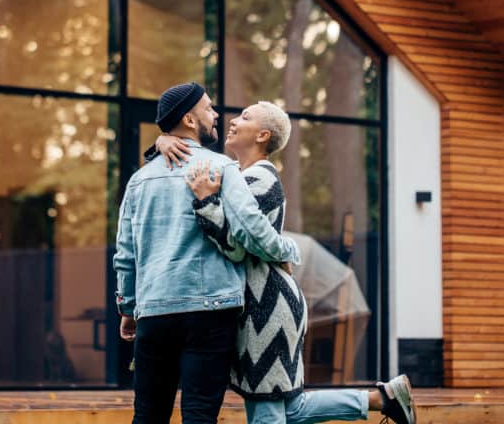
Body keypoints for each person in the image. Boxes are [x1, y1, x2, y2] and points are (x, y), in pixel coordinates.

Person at [154, 101, 416, 424]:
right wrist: (162, 140)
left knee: (267, 411)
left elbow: (236, 247)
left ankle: (382, 398)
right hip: (263, 304)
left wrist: (207, 202)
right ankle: (382, 398)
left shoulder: (259, 179)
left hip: (266, 308)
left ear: (263, 135)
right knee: (289, 409)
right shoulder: (243, 176)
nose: (234, 121)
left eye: (245, 117)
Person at [113, 82, 302, 424]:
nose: (216, 115)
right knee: (199, 415)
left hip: (154, 310)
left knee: (147, 416)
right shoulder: (221, 168)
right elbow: (252, 231)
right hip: (210, 312)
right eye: (208, 108)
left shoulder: (138, 181)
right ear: (189, 119)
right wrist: (290, 248)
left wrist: (128, 306)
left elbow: (125, 254)